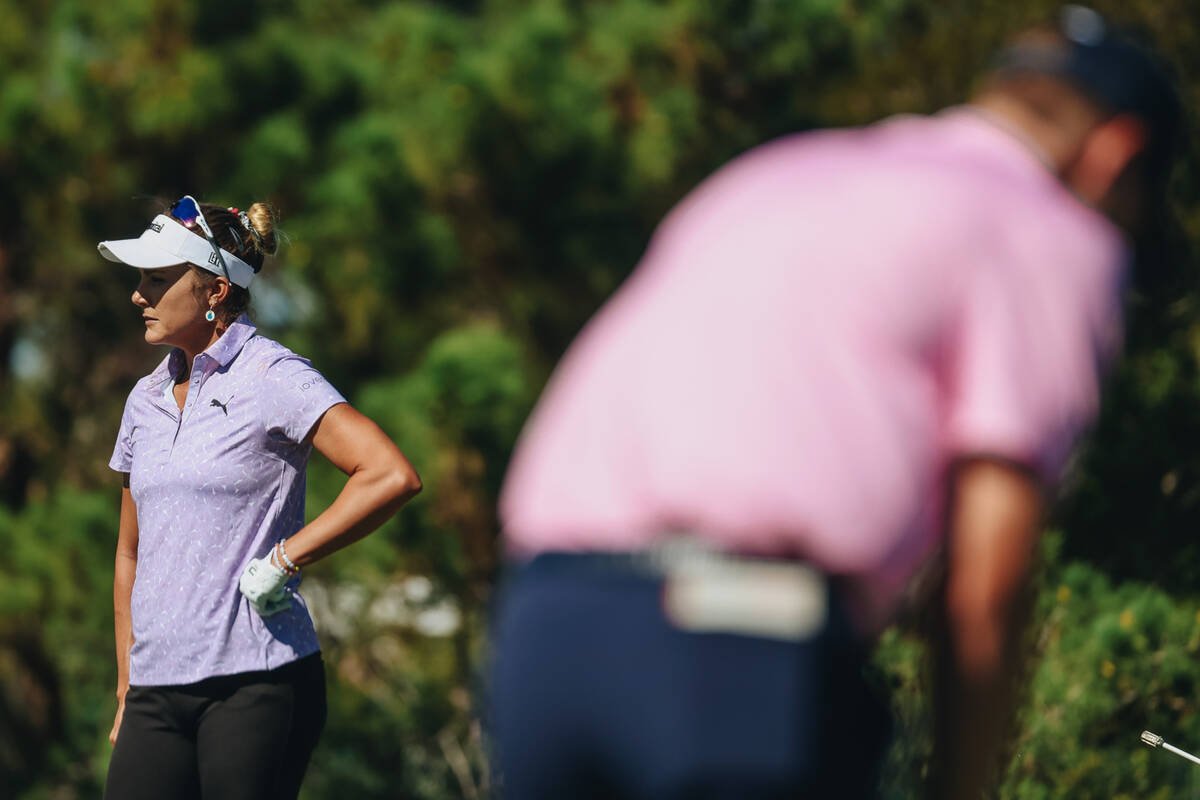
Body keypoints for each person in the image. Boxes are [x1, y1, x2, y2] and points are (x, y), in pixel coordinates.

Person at [490, 6, 1181, 799]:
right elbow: (991, 570)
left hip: (547, 625)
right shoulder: (1047, 224)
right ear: (1114, 153)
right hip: (738, 641)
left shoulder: (780, 171)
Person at [99, 196, 422, 800]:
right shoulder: (142, 399)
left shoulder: (273, 375)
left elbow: (388, 474)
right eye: (139, 280)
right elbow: (128, 556)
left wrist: (283, 560)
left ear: (215, 291)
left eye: (157, 280)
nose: (137, 295)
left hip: (257, 680)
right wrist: (126, 686)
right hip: (155, 692)